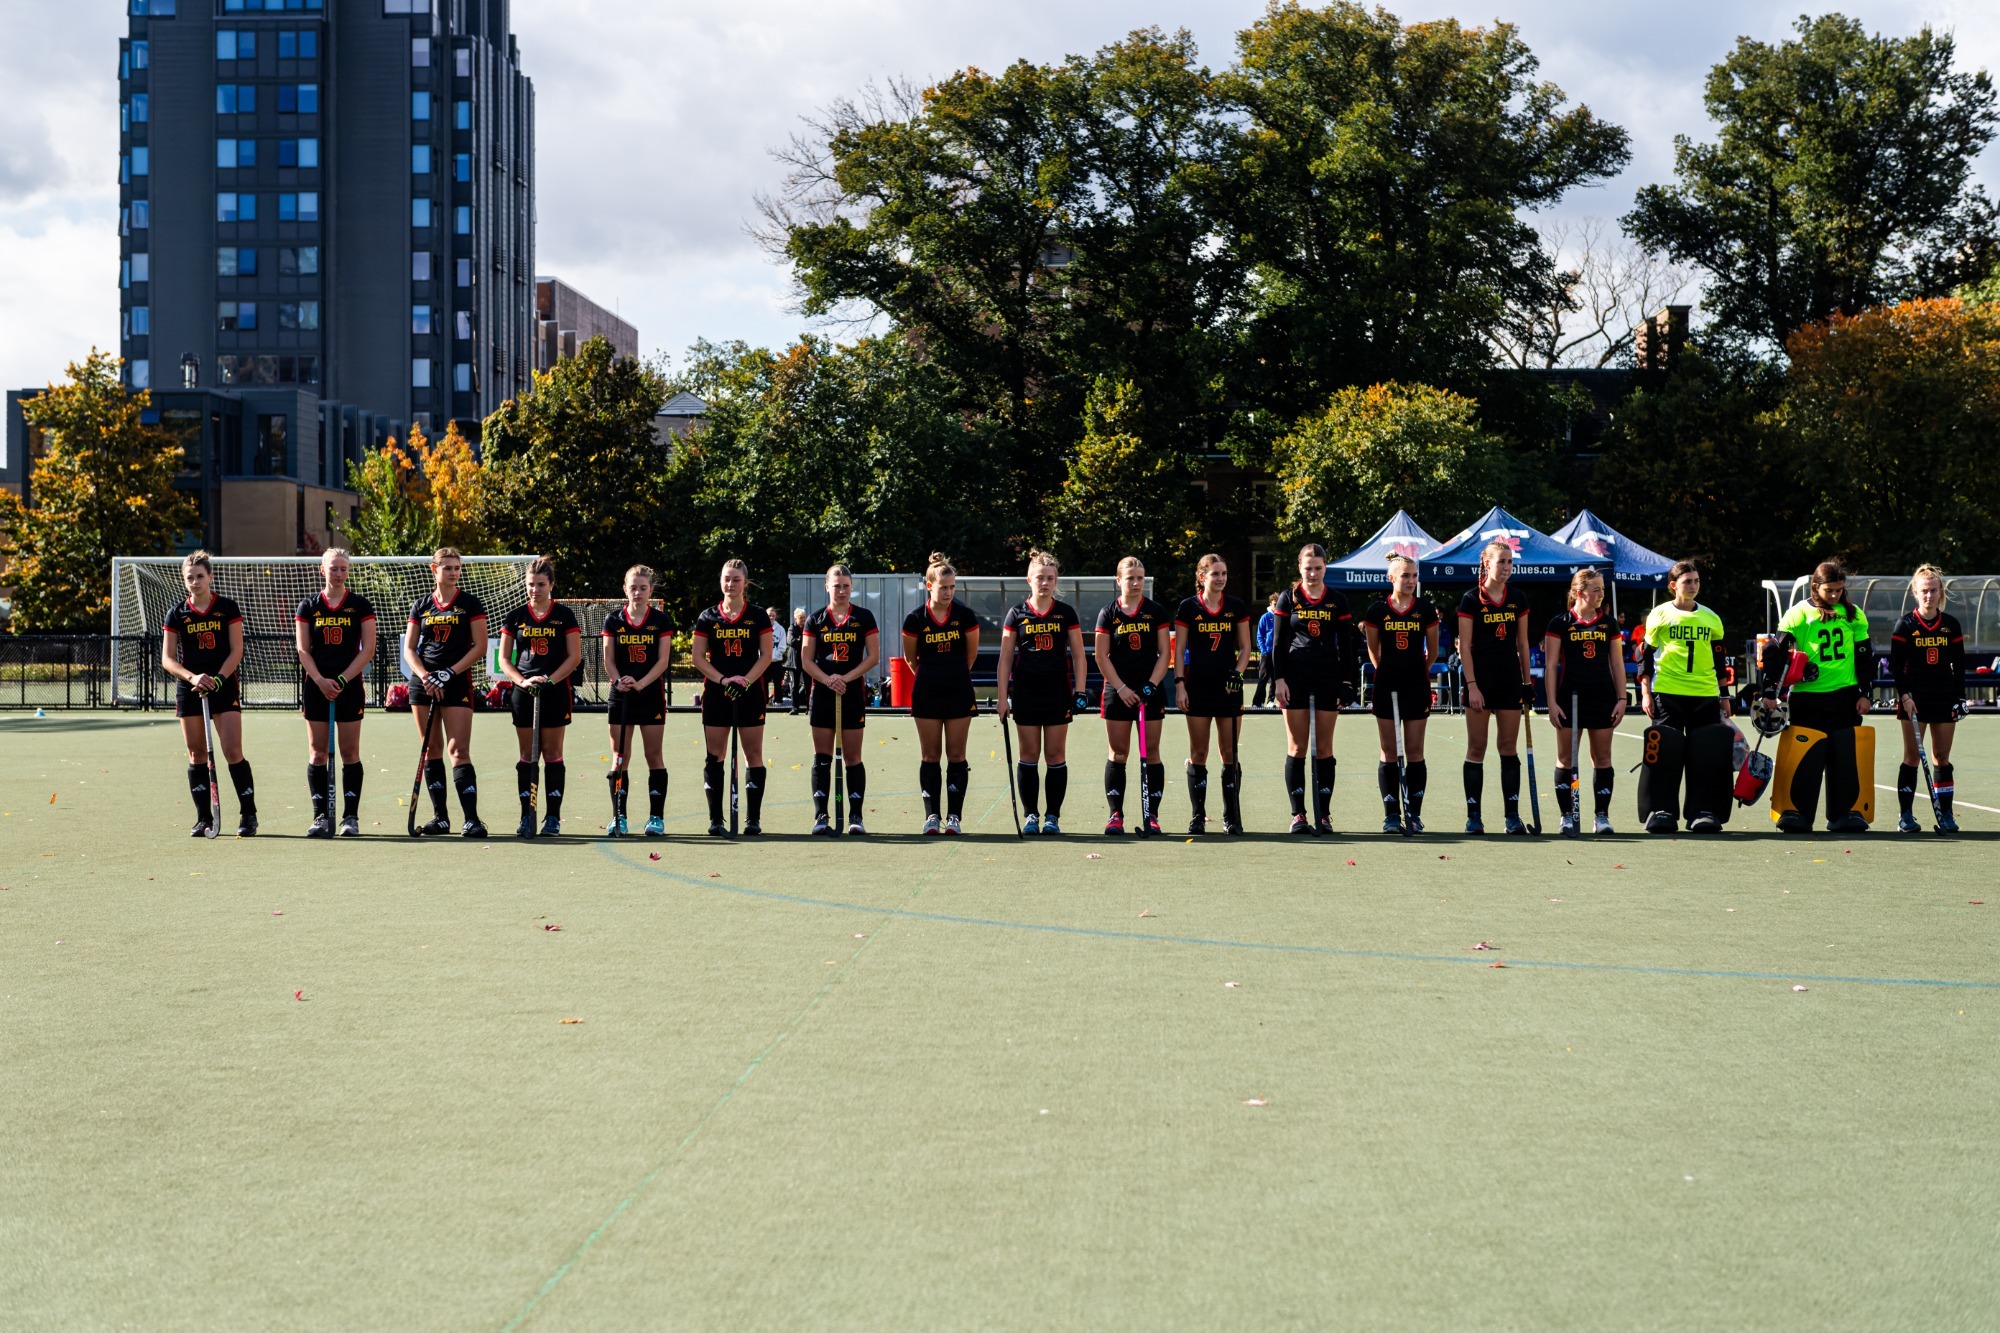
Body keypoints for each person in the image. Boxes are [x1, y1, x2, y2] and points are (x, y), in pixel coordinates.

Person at [162, 550, 258, 837]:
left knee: (232, 751)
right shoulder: (177, 613)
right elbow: (168, 659)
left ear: (210, 577)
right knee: (196, 753)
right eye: (189, 577)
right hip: (190, 687)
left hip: (222, 684)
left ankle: (248, 814)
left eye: (200, 576)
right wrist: (192, 677)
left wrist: (216, 679)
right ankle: (204, 818)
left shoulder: (227, 608)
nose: (195, 581)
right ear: (184, 580)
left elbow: (237, 650)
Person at [1774, 561, 1875, 833]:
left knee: (1845, 758)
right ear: (1815, 587)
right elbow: (1777, 653)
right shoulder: (1797, 614)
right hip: (1807, 698)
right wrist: (1774, 689)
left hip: (1845, 696)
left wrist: (1866, 693)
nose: (1834, 595)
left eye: (1839, 590)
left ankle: (1844, 812)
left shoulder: (1854, 615)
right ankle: (1796, 812)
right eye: (1829, 590)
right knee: (1806, 757)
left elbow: (1865, 658)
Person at [1635, 560, 1733, 834]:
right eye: (1687, 581)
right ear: (1673, 586)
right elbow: (1645, 656)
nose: (1693, 586)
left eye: (1696, 581)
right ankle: (1661, 809)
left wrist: (1724, 695)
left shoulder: (1711, 618)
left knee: (1706, 755)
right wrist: (1646, 692)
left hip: (1704, 693)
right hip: (1668, 692)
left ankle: (1703, 810)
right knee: (1665, 753)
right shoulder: (1659, 615)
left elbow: (1719, 658)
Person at [998, 551, 1089, 835]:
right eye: (1040, 578)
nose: (1045, 583)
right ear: (1029, 579)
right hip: (1026, 692)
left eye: (1050, 578)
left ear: (1056, 581)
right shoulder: (1017, 613)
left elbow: (1078, 655)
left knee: (1054, 754)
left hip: (1057, 692)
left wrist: (1081, 691)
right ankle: (1031, 816)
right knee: (1029, 753)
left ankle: (1052, 816)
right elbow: (1004, 659)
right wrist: (1003, 697)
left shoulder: (1065, 612)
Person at [1271, 544, 1358, 835]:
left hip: (1327, 679)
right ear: (1300, 568)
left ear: (1325, 569)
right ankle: (1298, 814)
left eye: (1318, 568)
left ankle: (1323, 814)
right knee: (1297, 747)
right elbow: (1278, 645)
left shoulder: (1337, 600)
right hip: (1295, 678)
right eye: (1308, 568)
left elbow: (1346, 648)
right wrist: (1279, 679)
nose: (1312, 573)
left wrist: (1347, 683)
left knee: (1323, 748)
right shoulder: (1288, 598)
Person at [402, 547, 488, 837]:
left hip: (455, 681)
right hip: (424, 684)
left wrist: (449, 673)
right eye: (447, 567)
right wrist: (426, 675)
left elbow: (480, 647)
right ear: (434, 569)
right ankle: (440, 818)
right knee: (432, 750)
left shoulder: (470, 604)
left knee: (459, 750)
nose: (453, 572)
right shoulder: (421, 605)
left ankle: (472, 819)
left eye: (457, 568)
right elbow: (410, 649)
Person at [293, 547, 375, 838]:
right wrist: (320, 680)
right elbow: (303, 649)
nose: (338, 574)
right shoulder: (308, 606)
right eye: (333, 568)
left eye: (343, 568)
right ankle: (320, 816)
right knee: (317, 753)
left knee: (349, 752)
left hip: (349, 686)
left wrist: (340, 679)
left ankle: (350, 817)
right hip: (316, 687)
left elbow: (368, 650)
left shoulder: (360, 605)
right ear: (322, 570)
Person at [498, 556, 582, 838]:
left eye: (541, 584)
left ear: (552, 585)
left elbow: (574, 657)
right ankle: (527, 815)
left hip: (555, 692)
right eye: (531, 584)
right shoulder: (516, 616)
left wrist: (550, 680)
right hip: (524, 693)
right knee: (527, 756)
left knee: (553, 754)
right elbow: (504, 659)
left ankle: (553, 818)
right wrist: (522, 681)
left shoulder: (565, 615)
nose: (535, 590)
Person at [692, 560, 776, 836]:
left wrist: (746, 681)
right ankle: (716, 819)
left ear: (745, 583)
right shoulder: (708, 617)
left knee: (753, 755)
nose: (730, 584)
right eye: (726, 579)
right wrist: (724, 680)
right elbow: (697, 657)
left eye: (736, 580)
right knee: (715, 756)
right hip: (717, 692)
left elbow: (766, 656)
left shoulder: (758, 615)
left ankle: (753, 819)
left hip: (750, 693)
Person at [1455, 540, 1533, 835]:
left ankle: (1511, 816)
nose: (1507, 568)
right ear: (1486, 563)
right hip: (1481, 681)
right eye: (1501, 562)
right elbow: (1465, 648)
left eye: (1510, 562)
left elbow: (1522, 644)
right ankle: (1473, 817)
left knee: (1508, 749)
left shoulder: (1518, 598)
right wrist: (1472, 686)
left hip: (1509, 680)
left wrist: (1526, 683)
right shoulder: (1471, 599)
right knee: (1476, 748)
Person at [1172, 553, 1253, 834]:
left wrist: (1238, 673)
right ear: (1201, 576)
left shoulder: (1236, 606)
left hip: (1228, 688)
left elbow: (1245, 647)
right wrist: (1180, 683)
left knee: (1228, 751)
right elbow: (1180, 650)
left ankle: (1232, 816)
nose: (1220, 579)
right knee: (1199, 752)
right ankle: (1198, 816)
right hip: (1198, 687)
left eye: (1224, 574)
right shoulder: (1187, 608)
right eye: (1215, 574)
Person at [902, 552, 982, 835]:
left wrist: (952, 676)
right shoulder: (915, 619)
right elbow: (911, 660)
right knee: (930, 755)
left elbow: (970, 656)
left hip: (959, 692)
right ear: (929, 586)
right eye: (943, 587)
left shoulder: (965, 616)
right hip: (927, 694)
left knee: (957, 755)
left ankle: (954, 817)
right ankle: (932, 816)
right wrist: (931, 679)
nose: (948, 592)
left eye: (952, 587)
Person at [1542, 567, 1626, 837]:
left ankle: (1601, 816)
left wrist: (1622, 697)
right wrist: (1552, 703)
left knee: (1602, 757)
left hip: (1602, 696)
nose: (1601, 594)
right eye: (1596, 589)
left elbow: (1617, 663)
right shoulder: (1560, 622)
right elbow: (1551, 665)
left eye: (1602, 588)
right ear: (1580, 592)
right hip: (1569, 697)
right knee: (1566, 758)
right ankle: (1566, 815)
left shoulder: (1609, 624)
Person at [1361, 554, 1440, 834]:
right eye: (1405, 575)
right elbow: (1373, 650)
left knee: (1415, 751)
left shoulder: (1426, 610)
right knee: (1389, 751)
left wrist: (1417, 671)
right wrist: (1387, 671)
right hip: (1385, 686)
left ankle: (1414, 814)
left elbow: (1432, 650)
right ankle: (1392, 814)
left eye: (1414, 576)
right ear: (1391, 577)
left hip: (1416, 686)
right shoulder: (1376, 611)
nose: (1410, 581)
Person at [1094, 556, 1171, 835]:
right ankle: (1116, 815)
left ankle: (1152, 815)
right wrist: (1123, 688)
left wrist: (1151, 684)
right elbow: (1102, 657)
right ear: (1119, 581)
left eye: (1140, 577)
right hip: (1118, 690)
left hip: (1150, 689)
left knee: (1151, 752)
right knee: (1119, 753)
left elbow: (1165, 654)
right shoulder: (1108, 613)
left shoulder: (1156, 611)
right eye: (1130, 578)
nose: (1136, 583)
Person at [803, 566, 881, 835]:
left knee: (852, 757)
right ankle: (821, 815)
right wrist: (828, 680)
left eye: (846, 585)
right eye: (836, 585)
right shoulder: (816, 620)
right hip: (823, 693)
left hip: (851, 693)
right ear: (827, 587)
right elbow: (806, 659)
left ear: (852, 587)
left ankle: (856, 817)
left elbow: (873, 656)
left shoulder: (864, 617)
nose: (842, 590)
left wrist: (845, 678)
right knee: (822, 757)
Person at [1889, 563, 1965, 833]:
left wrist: (1960, 697)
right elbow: (1896, 667)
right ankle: (1906, 816)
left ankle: (1946, 814)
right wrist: (1905, 696)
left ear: (1940, 591)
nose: (1929, 595)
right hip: (1914, 699)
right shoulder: (1905, 624)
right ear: (1915, 592)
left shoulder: (1951, 625)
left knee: (1941, 757)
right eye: (1924, 591)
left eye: (1933, 590)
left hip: (1943, 697)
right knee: (1911, 757)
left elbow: (1959, 665)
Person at [602, 565, 674, 837]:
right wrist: (618, 681)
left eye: (643, 588)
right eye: (633, 587)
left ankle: (656, 817)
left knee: (653, 755)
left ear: (651, 591)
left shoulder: (661, 620)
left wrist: (642, 684)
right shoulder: (613, 620)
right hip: (620, 694)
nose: (638, 592)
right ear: (625, 589)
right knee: (620, 757)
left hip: (650, 695)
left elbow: (663, 660)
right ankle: (618, 817)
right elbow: (608, 659)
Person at [1252, 593, 1280, 708]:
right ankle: (1257, 702)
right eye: (1274, 604)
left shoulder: (1281, 617)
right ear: (1270, 604)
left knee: (1275, 678)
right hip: (1266, 653)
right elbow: (1259, 635)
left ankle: (1270, 701)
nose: (1276, 606)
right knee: (1263, 677)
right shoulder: (1265, 617)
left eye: (1278, 604)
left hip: (1277, 653)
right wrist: (1263, 650)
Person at [766, 606, 790, 707]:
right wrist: (764, 657)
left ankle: (778, 701)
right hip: (764, 661)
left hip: (776, 661)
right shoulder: (762, 628)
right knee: (764, 683)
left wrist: (773, 657)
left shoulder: (780, 629)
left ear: (776, 616)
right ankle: (765, 701)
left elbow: (782, 647)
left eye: (773, 615)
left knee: (777, 682)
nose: (771, 617)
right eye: (769, 615)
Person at [787, 607, 810, 713]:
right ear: (795, 618)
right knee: (794, 685)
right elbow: (791, 641)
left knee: (808, 684)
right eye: (801, 618)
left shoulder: (808, 627)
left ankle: (809, 707)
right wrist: (803, 640)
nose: (803, 620)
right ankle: (795, 707)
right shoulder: (791, 628)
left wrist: (799, 640)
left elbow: (811, 642)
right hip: (794, 662)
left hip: (806, 660)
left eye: (804, 618)